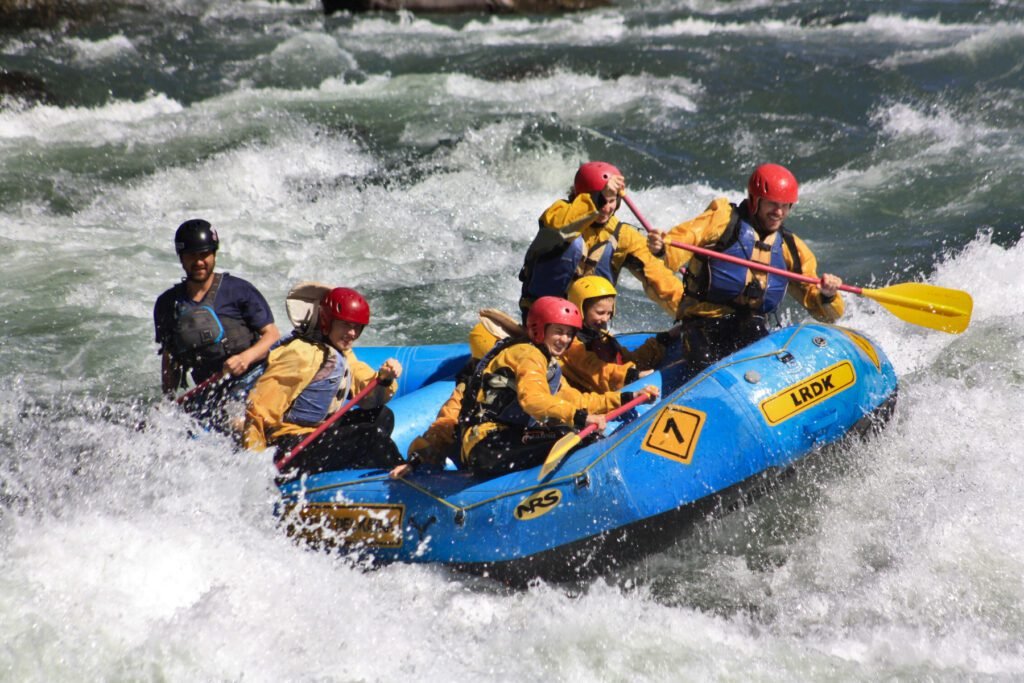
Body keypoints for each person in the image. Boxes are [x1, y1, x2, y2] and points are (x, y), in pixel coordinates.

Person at [647, 163, 844, 374]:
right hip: (703, 319)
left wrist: (827, 295)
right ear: (754, 201)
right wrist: (662, 247)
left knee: (755, 333)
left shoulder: (791, 247)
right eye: (772, 204)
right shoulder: (722, 220)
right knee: (702, 360)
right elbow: (683, 239)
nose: (778, 212)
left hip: (749, 321)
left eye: (785, 206)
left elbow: (826, 314)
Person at [460, 296, 658, 477]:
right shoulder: (527, 355)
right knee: (580, 437)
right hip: (487, 444)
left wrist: (627, 397)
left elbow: (577, 400)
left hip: (509, 437)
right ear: (540, 330)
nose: (564, 339)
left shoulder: (549, 364)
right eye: (558, 332)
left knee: (581, 433)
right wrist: (582, 418)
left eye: (569, 334)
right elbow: (533, 400)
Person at [243, 287, 404, 478]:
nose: (352, 333)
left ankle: (355, 476)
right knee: (370, 435)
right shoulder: (300, 353)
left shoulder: (340, 352)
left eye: (357, 327)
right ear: (327, 322)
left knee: (381, 416)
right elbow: (259, 411)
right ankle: (406, 475)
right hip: (288, 446)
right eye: (345, 325)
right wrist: (257, 470)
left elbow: (365, 388)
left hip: (316, 435)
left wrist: (385, 378)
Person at [517, 161, 683, 321]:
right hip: (544, 319)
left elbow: (660, 278)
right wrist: (597, 199)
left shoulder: (623, 235)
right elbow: (561, 226)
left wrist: (690, 313)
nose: (606, 208)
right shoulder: (559, 212)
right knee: (574, 244)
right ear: (579, 197)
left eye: (611, 201)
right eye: (601, 201)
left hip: (589, 326)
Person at [153, 219, 280, 418]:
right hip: (210, 391)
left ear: (214, 254)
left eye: (204, 254)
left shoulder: (239, 290)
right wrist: (168, 402)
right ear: (181, 258)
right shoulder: (167, 304)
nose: (199, 262)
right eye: (191, 256)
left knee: (236, 420)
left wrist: (245, 358)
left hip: (253, 379)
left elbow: (272, 335)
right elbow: (170, 358)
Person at [389, 309, 522, 479]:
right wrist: (416, 460)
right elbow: (445, 424)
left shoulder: (531, 370)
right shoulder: (468, 390)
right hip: (488, 452)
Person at [560, 275, 681, 393]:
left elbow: (629, 360)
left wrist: (664, 339)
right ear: (579, 309)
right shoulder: (569, 343)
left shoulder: (603, 337)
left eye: (609, 313)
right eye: (600, 312)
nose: (605, 319)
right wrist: (631, 375)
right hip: (589, 401)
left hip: (610, 388)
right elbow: (596, 369)